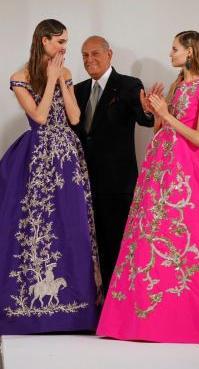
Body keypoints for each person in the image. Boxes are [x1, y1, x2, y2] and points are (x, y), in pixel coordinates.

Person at [96, 31, 199, 348]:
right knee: (148, 236)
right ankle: (142, 316)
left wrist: (167, 115)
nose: (170, 54)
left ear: (190, 51)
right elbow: (161, 127)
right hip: (159, 167)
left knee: (183, 237)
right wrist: (155, 113)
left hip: (185, 170)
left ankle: (182, 316)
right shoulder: (177, 85)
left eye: (174, 49)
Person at [0, 19, 101, 335]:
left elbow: (74, 118)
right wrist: (48, 79)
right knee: (35, 226)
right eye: (60, 42)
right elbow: (40, 116)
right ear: (44, 41)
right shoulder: (19, 78)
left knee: (70, 225)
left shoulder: (67, 74)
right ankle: (29, 308)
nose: (64, 49)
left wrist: (60, 81)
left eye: (66, 43)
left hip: (68, 157)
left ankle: (75, 311)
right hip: (37, 158)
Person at [73, 36, 156, 288]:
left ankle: (118, 301)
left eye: (95, 53)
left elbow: (145, 120)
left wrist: (149, 110)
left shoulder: (129, 85)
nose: (90, 60)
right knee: (89, 244)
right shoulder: (77, 90)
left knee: (117, 245)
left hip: (117, 182)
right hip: (83, 182)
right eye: (85, 55)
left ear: (109, 55)